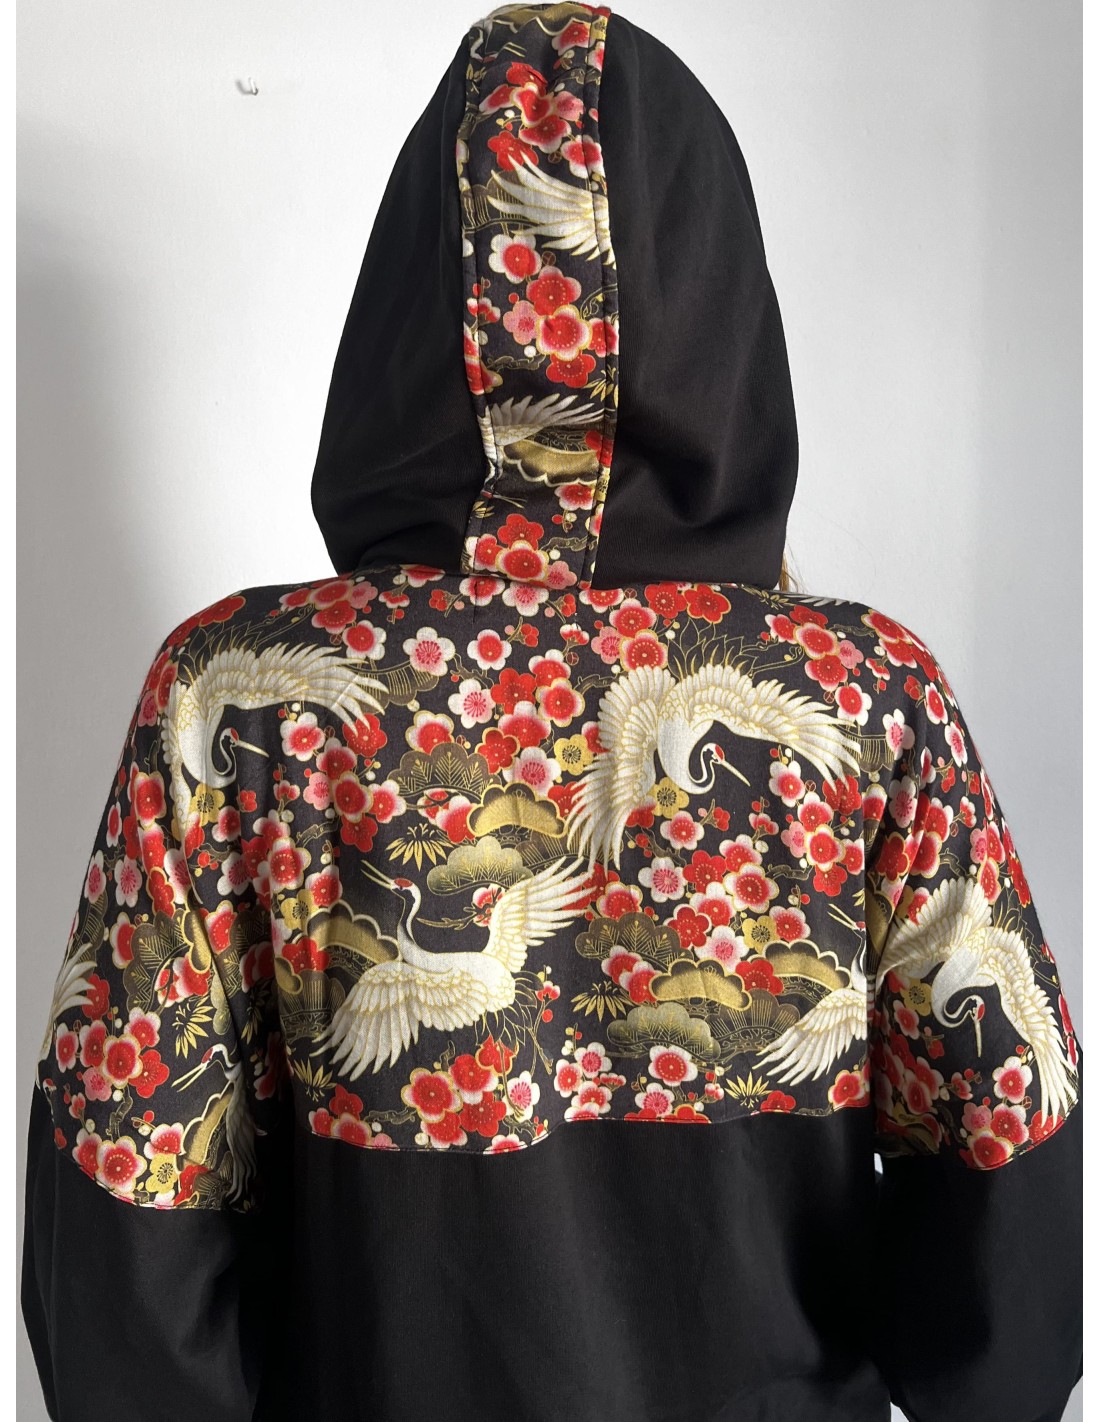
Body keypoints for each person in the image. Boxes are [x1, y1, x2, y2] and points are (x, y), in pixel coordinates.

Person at [21, 4, 1082, 1419]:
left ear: (405, 304)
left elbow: (127, 1213)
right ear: (717, 296)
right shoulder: (868, 692)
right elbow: (1005, 1181)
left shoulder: (236, 696)